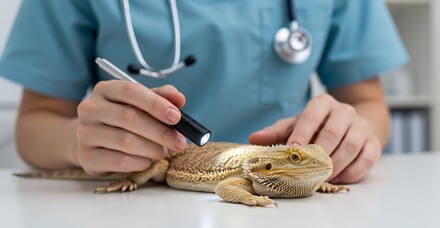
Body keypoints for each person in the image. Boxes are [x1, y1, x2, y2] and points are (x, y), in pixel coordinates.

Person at [0, 0, 408, 183]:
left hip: (287, 194)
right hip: (130, 206)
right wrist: (79, 144)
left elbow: (367, 103)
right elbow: (37, 123)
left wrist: (349, 137)